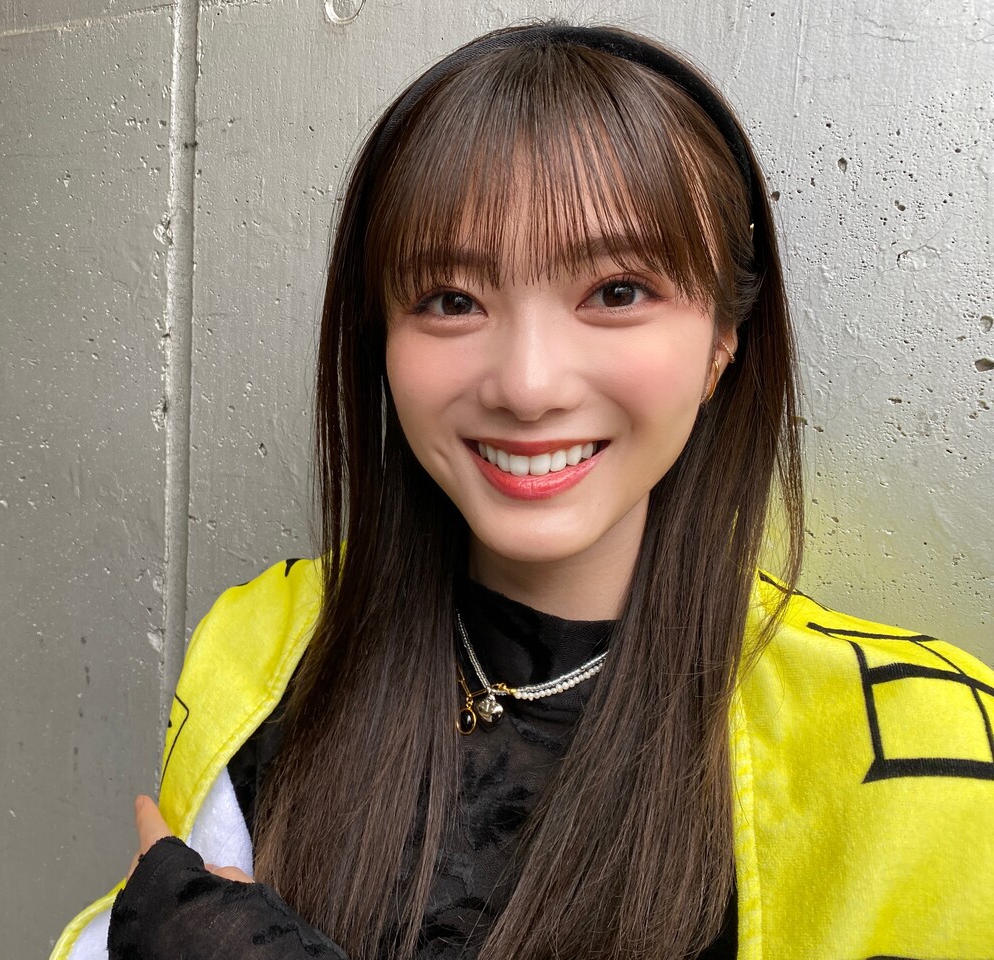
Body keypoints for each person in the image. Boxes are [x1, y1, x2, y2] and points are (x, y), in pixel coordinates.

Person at [52, 22, 994, 960]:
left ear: (723, 341)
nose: (529, 385)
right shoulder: (264, 653)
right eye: (451, 300)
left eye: (616, 292)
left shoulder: (919, 747)